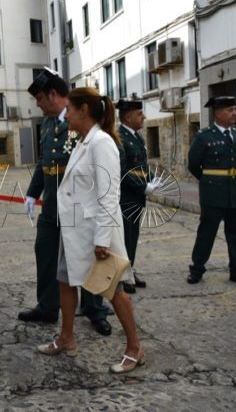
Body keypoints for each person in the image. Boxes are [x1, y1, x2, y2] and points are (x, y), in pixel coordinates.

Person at [36, 87, 145, 374]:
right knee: (65, 281)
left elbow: (109, 194)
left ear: (83, 110)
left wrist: (102, 239)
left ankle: (135, 347)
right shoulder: (84, 141)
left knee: (114, 290)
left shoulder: (102, 143)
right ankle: (66, 337)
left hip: (94, 232)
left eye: (69, 109)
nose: (66, 114)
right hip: (73, 230)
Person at [19, 68, 112, 336]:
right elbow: (44, 163)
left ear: (53, 95)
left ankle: (94, 309)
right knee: (45, 254)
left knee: (84, 258)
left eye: (39, 98)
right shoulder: (47, 123)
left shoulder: (82, 122)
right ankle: (47, 307)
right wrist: (32, 193)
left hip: (76, 207)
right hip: (52, 205)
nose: (37, 103)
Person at [187, 96, 236, 287]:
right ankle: (197, 269)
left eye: (235, 109)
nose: (235, 113)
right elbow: (193, 165)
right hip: (213, 194)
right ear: (218, 113)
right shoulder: (204, 136)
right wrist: (210, 181)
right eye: (230, 110)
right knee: (206, 233)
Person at [117, 98, 153, 293]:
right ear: (128, 117)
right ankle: (123, 277)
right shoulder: (119, 137)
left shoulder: (136, 136)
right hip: (126, 196)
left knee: (133, 236)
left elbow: (141, 165)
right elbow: (122, 171)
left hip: (136, 196)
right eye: (140, 114)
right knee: (125, 237)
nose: (144, 117)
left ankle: (129, 271)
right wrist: (142, 187)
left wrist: (152, 180)